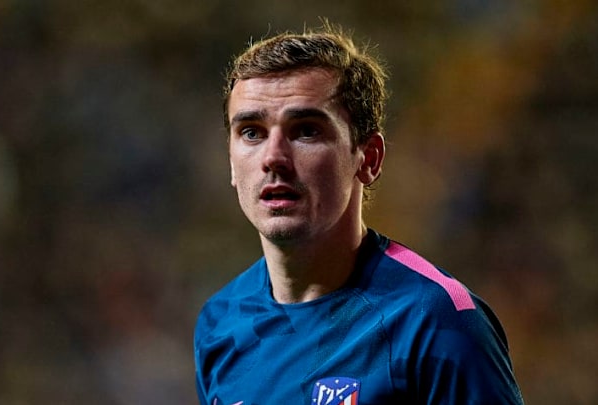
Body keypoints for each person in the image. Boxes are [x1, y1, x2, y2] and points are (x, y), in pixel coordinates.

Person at [194, 23, 523, 405]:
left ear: (368, 158)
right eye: (252, 132)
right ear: (232, 164)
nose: (273, 158)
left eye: (305, 131)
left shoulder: (435, 321)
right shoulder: (219, 323)